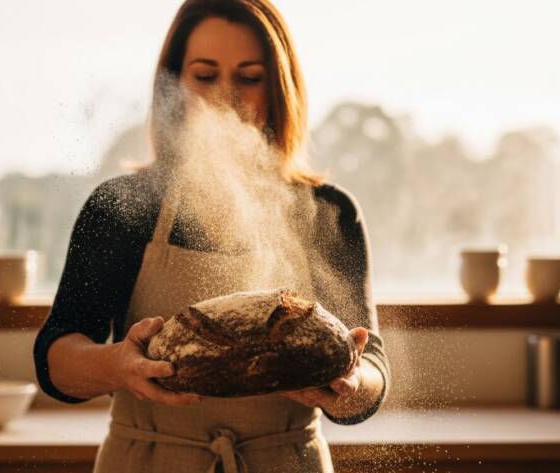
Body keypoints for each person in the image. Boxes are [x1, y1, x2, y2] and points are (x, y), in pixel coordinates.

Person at [33, 1, 391, 472]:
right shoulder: (121, 207)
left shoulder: (329, 213)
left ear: (279, 87)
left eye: (249, 78)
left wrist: (350, 384)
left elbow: (370, 367)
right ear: (174, 85)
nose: (226, 96)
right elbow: (56, 359)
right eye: (205, 76)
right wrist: (118, 364)